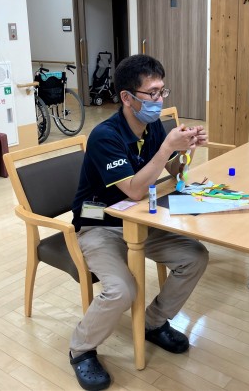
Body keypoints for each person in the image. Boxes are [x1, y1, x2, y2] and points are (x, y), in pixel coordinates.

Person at [69, 54, 209, 390]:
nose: (159, 100)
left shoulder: (153, 126)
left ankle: (152, 323)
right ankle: (81, 348)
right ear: (127, 98)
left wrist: (185, 150)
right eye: (152, 93)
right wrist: (165, 150)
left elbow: (170, 170)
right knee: (122, 290)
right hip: (97, 220)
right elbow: (133, 189)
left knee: (195, 257)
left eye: (162, 91)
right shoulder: (105, 136)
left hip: (137, 218)